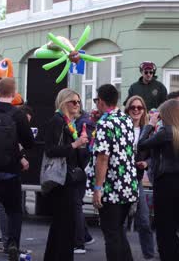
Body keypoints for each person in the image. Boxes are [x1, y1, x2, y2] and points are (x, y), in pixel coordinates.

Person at [138, 99, 179, 261]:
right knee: (171, 230)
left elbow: (141, 144)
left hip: (165, 184)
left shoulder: (166, 133)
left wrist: (150, 124)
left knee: (164, 231)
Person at [0, 78, 34, 261]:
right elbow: (28, 142)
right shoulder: (18, 114)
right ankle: (12, 244)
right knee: (14, 211)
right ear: (14, 93)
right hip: (10, 173)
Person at [87, 84, 138, 261]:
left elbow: (103, 158)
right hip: (128, 186)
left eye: (96, 101)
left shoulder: (105, 123)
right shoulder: (125, 119)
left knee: (112, 235)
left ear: (101, 101)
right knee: (119, 232)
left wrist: (97, 188)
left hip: (111, 188)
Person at [43, 88, 88, 260]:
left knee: (62, 226)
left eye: (78, 102)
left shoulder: (69, 123)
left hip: (69, 179)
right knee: (65, 225)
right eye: (73, 102)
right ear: (63, 103)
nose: (77, 105)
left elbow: (74, 155)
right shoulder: (57, 121)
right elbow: (51, 150)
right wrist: (76, 144)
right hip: (61, 180)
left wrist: (81, 146)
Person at [124, 95, 155, 260]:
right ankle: (120, 254)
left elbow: (153, 156)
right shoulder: (122, 127)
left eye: (139, 107)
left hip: (136, 179)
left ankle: (149, 255)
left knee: (144, 220)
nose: (136, 110)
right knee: (120, 222)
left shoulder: (148, 131)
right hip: (121, 180)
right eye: (132, 107)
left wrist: (146, 163)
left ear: (144, 111)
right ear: (127, 110)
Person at [73, 109, 96, 254]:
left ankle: (80, 242)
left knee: (75, 204)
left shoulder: (83, 123)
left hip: (79, 169)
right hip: (81, 168)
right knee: (76, 204)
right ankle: (85, 236)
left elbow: (84, 149)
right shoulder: (82, 122)